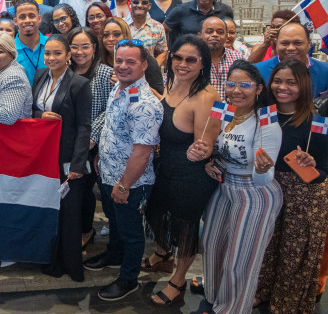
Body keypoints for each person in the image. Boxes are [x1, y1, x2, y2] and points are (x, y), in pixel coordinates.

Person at [143, 35, 221, 307]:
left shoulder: (206, 96)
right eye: (177, 57)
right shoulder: (172, 83)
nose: (182, 64)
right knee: (156, 213)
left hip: (191, 175)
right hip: (164, 168)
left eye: (191, 59)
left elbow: (205, 145)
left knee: (185, 229)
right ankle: (163, 255)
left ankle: (178, 280)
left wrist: (202, 151)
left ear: (203, 64)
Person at [83, 39, 163, 301]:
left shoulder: (145, 104)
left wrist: (124, 185)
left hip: (130, 182)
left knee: (130, 231)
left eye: (131, 62)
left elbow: (142, 152)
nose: (123, 66)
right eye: (119, 60)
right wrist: (102, 156)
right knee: (114, 220)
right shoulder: (118, 87)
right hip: (109, 171)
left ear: (144, 65)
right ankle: (114, 255)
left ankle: (128, 278)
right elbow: (112, 127)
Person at [202, 60, 282, 314]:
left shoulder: (265, 121)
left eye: (245, 85)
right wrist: (209, 161)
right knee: (211, 244)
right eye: (231, 84)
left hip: (255, 194)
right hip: (225, 189)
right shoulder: (224, 112)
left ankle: (233, 309)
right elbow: (217, 150)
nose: (236, 90)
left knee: (240, 259)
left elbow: (264, 178)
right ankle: (215, 297)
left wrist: (261, 170)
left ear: (258, 88)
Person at [255, 60, 328, 312]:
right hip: (269, 187)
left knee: (295, 251)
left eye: (291, 82)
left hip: (306, 194)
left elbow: (325, 168)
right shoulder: (264, 115)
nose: (282, 87)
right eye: (277, 81)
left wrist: (313, 164)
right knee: (267, 244)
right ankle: (262, 291)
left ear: (304, 85)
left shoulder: (317, 120)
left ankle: (287, 303)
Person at [33, 35, 91, 282]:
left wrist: (77, 164)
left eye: (57, 53)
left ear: (68, 55)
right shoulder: (39, 76)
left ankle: (70, 265)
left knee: (69, 212)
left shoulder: (79, 84)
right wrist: (40, 115)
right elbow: (30, 109)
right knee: (49, 209)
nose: (51, 58)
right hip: (43, 155)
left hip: (68, 157)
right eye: (47, 53)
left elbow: (84, 126)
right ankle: (49, 259)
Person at [68, 27, 114, 250]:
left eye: (85, 46)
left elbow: (110, 109)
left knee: (84, 190)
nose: (79, 52)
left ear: (94, 48)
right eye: (74, 47)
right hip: (68, 140)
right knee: (70, 189)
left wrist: (90, 137)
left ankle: (86, 230)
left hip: (92, 144)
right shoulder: (65, 71)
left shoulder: (106, 73)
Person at [256, 22, 328, 98]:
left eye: (297, 43)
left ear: (309, 43)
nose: (291, 48)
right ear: (276, 43)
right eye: (285, 43)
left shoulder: (325, 71)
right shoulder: (258, 72)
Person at [99, 17, 164, 95]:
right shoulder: (99, 61)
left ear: (125, 35)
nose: (111, 38)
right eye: (106, 35)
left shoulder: (145, 59)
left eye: (116, 34)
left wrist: (130, 85)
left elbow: (160, 96)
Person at [164, 0, 233, 41]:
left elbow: (230, 32)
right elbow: (163, 30)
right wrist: (168, 48)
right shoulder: (180, 10)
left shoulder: (225, 11)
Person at [200, 16, 243, 100]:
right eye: (209, 31)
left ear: (226, 36)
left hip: (231, 107)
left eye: (220, 32)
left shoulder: (237, 58)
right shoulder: (192, 59)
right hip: (201, 107)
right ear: (200, 35)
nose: (215, 35)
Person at [13, 0, 48, 86]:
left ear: (39, 18)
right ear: (15, 21)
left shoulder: (52, 44)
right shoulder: (9, 49)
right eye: (22, 17)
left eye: (32, 16)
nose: (27, 20)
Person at [128, 0, 167, 66]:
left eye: (144, 3)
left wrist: (152, 68)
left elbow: (163, 52)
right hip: (125, 70)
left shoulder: (158, 27)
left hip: (149, 71)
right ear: (130, 4)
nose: (140, 5)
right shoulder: (121, 25)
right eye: (136, 2)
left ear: (149, 6)